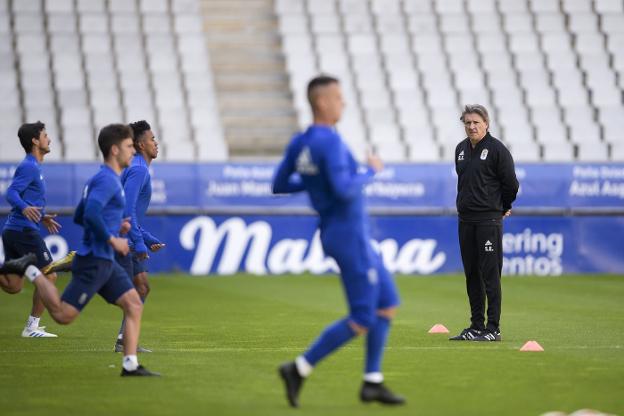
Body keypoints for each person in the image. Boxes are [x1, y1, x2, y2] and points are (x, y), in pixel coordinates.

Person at [273, 75, 405, 407]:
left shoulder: (300, 142)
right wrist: (371, 171)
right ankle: (299, 368)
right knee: (362, 316)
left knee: (387, 303)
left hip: (344, 234)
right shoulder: (329, 142)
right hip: (349, 236)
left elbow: (279, 183)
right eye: (338, 97)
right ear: (322, 102)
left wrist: (314, 182)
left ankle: (372, 381)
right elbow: (346, 189)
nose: (343, 103)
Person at [18, 124, 159, 376]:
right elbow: (91, 213)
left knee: (134, 304)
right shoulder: (108, 181)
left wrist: (119, 225)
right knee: (63, 315)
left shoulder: (101, 178)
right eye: (128, 147)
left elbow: (82, 214)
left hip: (106, 261)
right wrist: (112, 239)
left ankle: (130, 365)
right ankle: (31, 270)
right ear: (115, 150)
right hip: (95, 260)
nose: (132, 152)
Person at [449, 104, 519, 342]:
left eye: (475, 122)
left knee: (490, 275)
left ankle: (493, 328)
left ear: (486, 123)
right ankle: (476, 326)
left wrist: (504, 206)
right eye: (467, 122)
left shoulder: (498, 150)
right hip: (466, 220)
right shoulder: (460, 149)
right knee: (472, 274)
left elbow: (511, 183)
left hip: (488, 220)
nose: (471, 126)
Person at [1, 122, 62, 338]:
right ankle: (31, 327)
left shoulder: (33, 166)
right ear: (35, 141)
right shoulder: (29, 166)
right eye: (45, 135)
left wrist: (40, 215)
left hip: (16, 229)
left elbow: (24, 196)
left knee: (13, 285)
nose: (49, 139)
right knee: (50, 275)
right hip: (23, 230)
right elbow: (11, 193)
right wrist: (25, 208)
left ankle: (32, 327)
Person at [113, 120, 164, 353]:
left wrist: (148, 239)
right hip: (125, 237)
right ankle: (125, 340)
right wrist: (140, 242)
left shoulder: (137, 168)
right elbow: (128, 209)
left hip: (129, 234)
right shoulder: (138, 169)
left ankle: (125, 339)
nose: (156, 143)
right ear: (141, 144)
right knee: (138, 288)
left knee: (140, 288)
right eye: (152, 139)